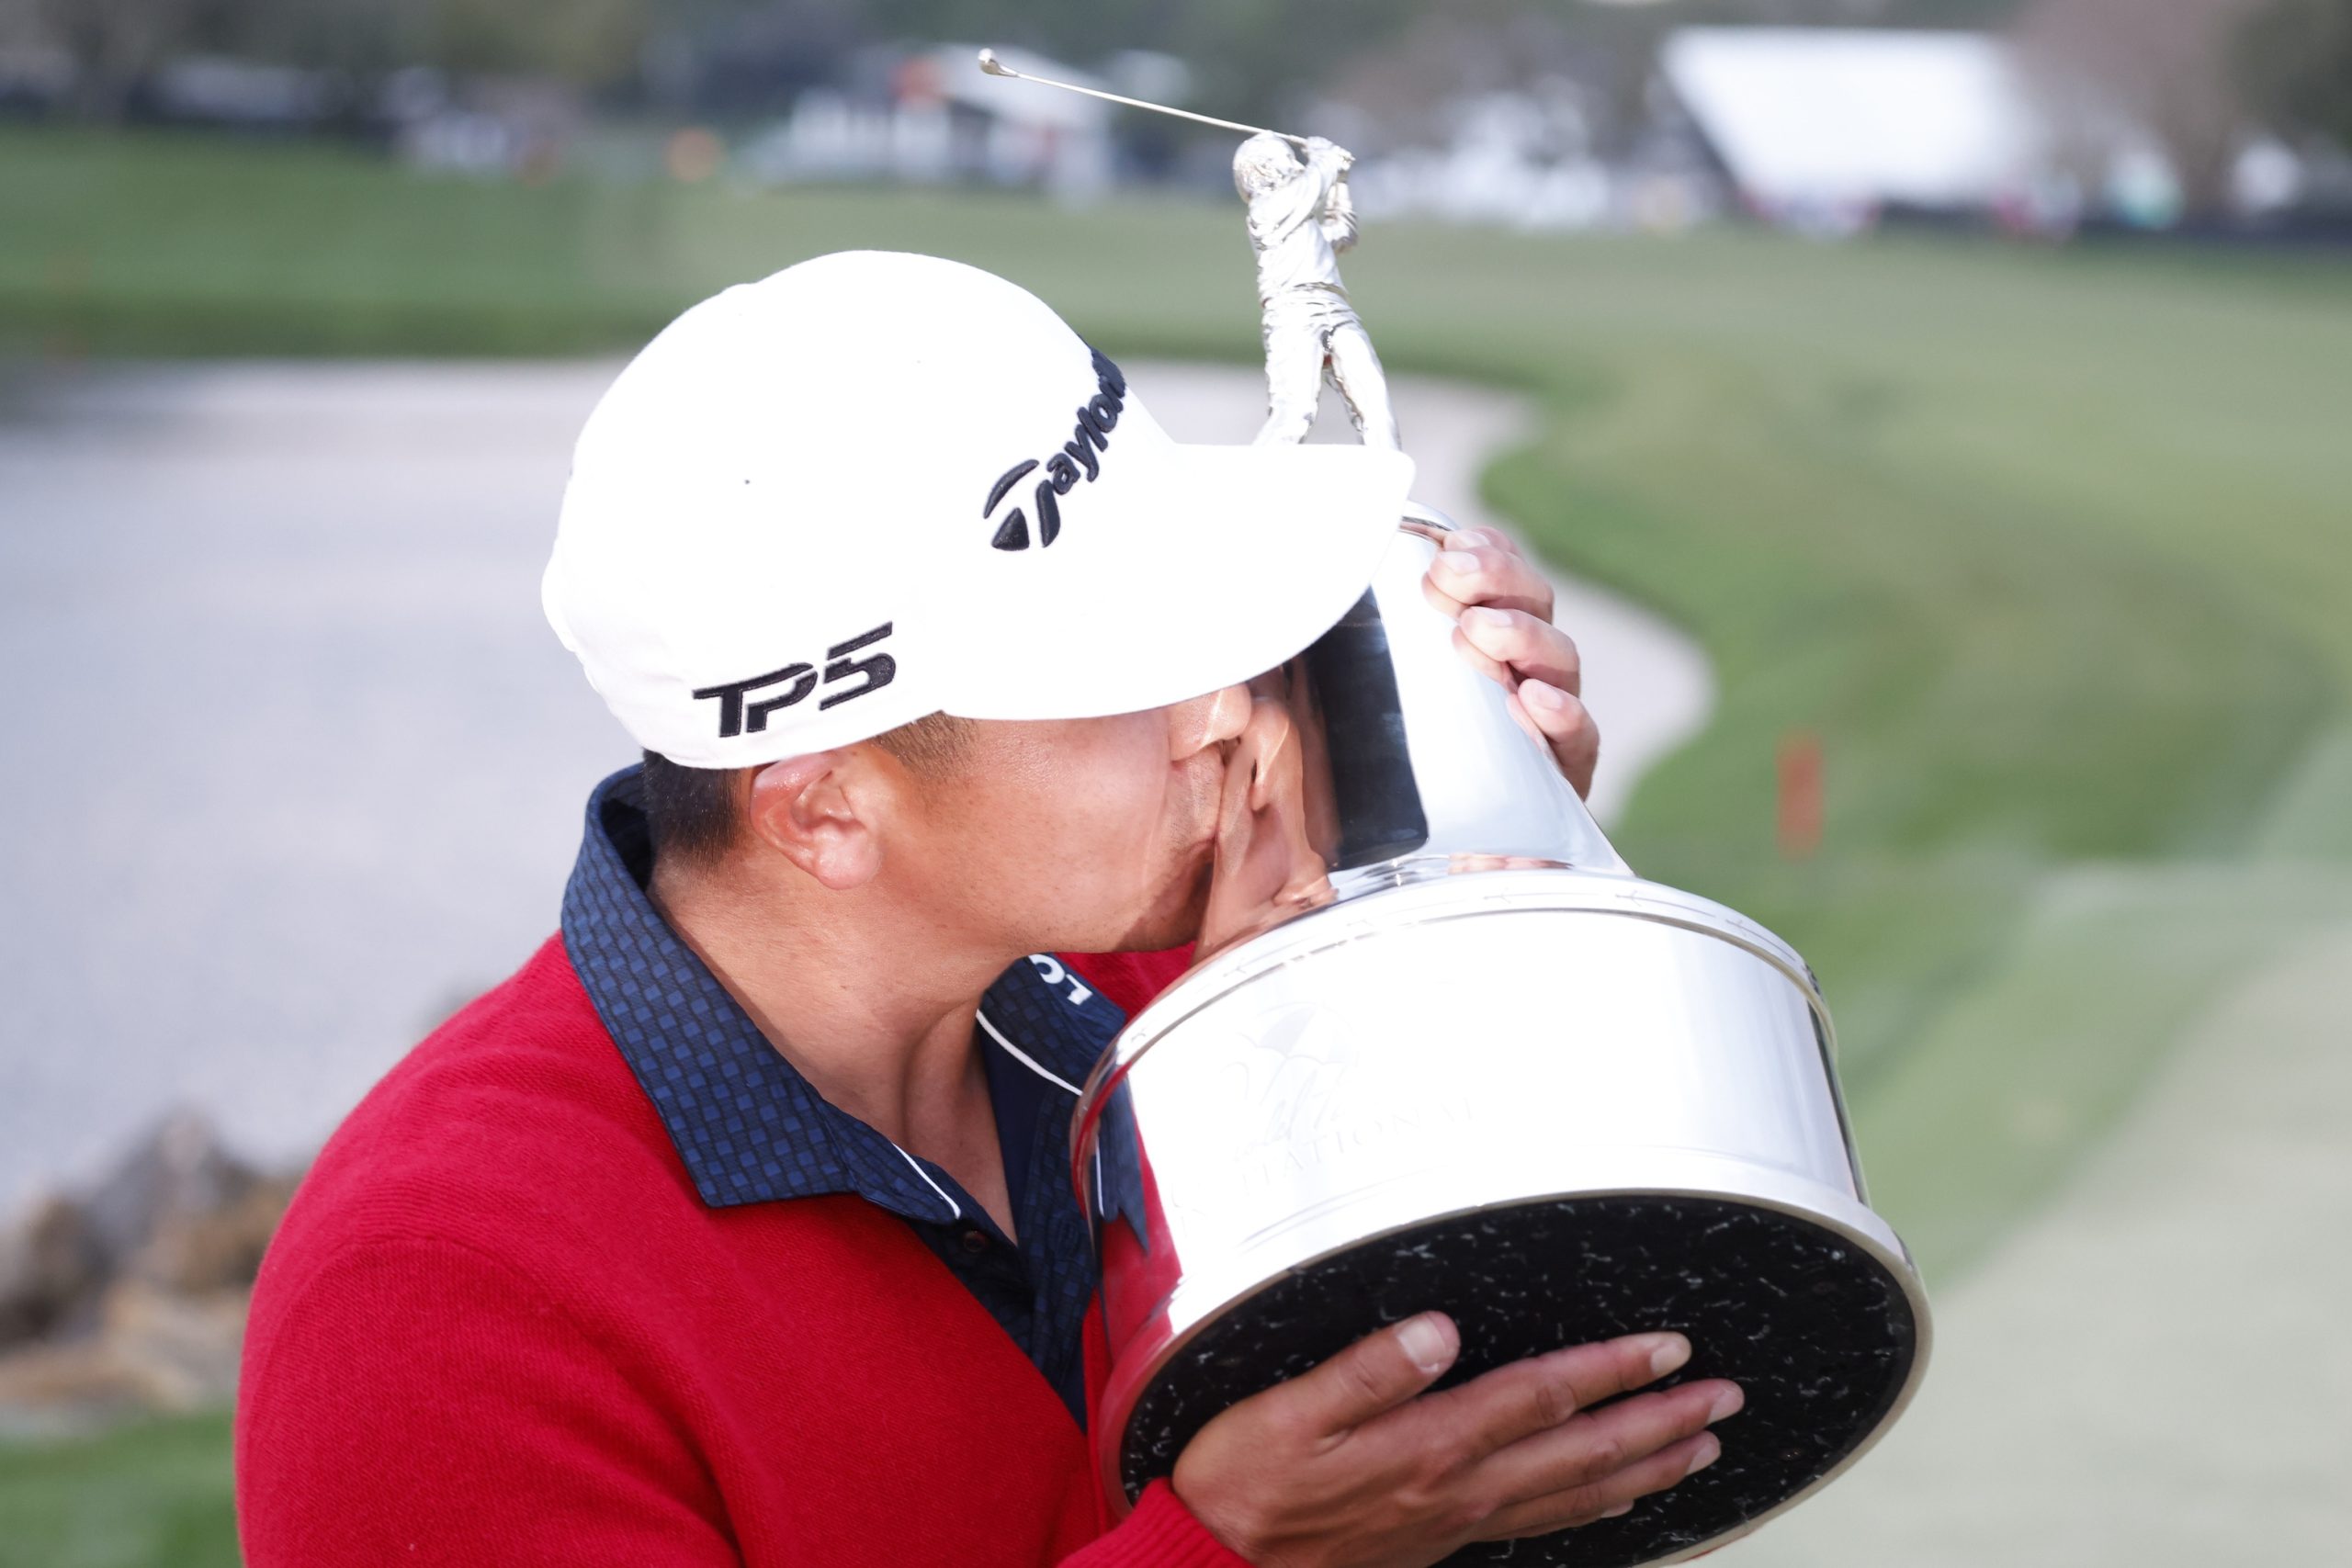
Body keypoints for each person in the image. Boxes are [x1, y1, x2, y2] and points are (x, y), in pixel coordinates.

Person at [234, 252, 1739, 1566]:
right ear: (824, 807)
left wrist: (1441, 861)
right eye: (1113, 670)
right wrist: (1226, 1557)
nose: (1227, 713)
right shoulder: (435, 1302)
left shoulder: (1148, 973)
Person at [1234, 132, 1401, 451]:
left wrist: (1340, 180)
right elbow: (1309, 188)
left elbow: (1343, 235)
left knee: (1374, 402)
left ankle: (1387, 476)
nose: (1293, 164)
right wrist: (1323, 157)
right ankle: (1252, 484)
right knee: (1295, 413)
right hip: (1293, 313)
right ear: (1267, 167)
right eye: (1285, 158)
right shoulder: (1266, 210)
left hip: (1336, 310)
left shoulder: (1301, 223)